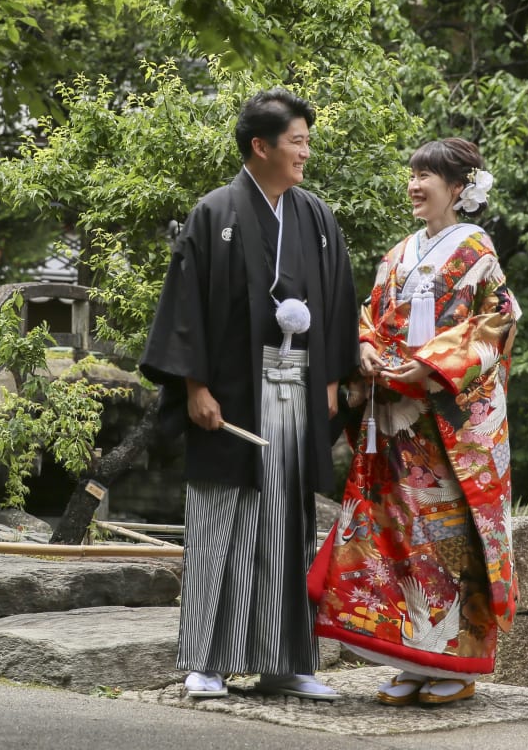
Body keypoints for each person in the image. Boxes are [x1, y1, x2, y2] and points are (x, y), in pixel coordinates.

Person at [139, 88, 358, 700]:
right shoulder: (214, 213)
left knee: (287, 524)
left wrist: (335, 380)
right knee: (221, 523)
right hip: (232, 396)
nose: (305, 152)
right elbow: (185, 307)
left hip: (300, 390)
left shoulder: (315, 217)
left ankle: (286, 662)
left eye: (307, 141)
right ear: (260, 146)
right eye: (297, 141)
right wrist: (195, 386)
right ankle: (206, 661)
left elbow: (339, 300)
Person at [309, 138, 520, 706]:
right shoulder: (398, 254)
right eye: (413, 173)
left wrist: (426, 367)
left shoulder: (477, 252)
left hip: (446, 422)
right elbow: (370, 319)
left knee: (451, 538)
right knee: (397, 536)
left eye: (428, 175)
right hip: (396, 420)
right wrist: (366, 352)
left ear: (458, 188)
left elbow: (497, 323)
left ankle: (456, 660)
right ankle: (408, 654)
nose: (415, 184)